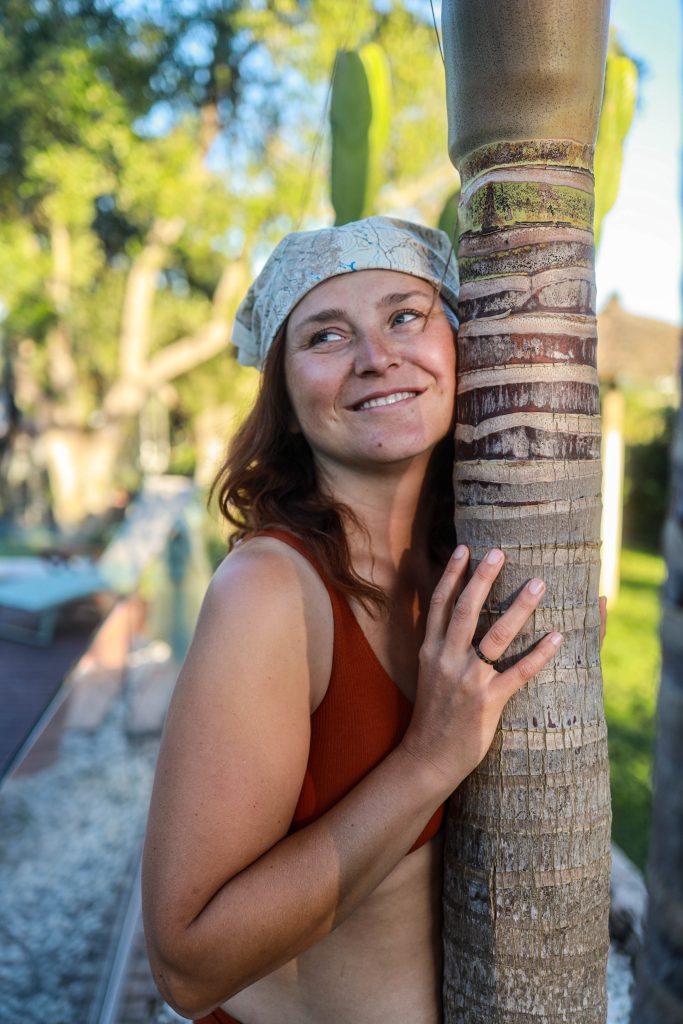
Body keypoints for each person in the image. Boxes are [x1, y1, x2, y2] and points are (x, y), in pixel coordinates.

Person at [142, 216, 601, 1024]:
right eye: (325, 335)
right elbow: (187, 964)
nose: (376, 357)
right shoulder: (270, 592)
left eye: (403, 316)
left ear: (458, 347)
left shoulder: (469, 566)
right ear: (284, 396)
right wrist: (429, 756)